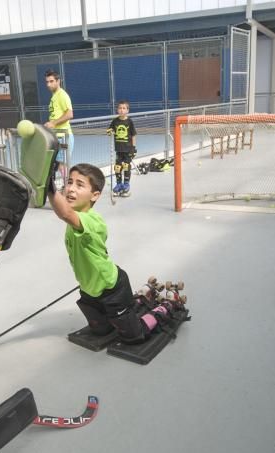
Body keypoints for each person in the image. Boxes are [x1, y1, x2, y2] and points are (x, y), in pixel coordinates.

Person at [48, 163, 183, 344]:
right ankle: (140, 297)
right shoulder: (76, 217)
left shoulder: (92, 221)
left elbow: (65, 213)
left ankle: (165, 307)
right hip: (89, 288)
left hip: (111, 288)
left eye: (80, 185)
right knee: (100, 330)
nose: (71, 189)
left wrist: (48, 187)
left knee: (134, 336)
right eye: (69, 182)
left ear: (95, 195)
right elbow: (66, 212)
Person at [43, 70, 74, 177]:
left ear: (58, 81)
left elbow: (70, 114)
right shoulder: (54, 96)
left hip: (63, 137)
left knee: (62, 166)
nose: (48, 84)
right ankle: (60, 189)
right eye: (47, 82)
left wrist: (54, 123)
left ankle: (67, 188)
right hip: (56, 137)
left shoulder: (62, 95)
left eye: (51, 81)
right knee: (55, 166)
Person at [108, 100, 137, 196]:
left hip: (127, 149)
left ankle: (126, 185)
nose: (121, 110)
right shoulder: (115, 121)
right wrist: (109, 132)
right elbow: (110, 130)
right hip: (118, 149)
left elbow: (133, 135)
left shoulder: (129, 122)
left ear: (127, 110)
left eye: (124, 108)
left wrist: (133, 148)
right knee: (117, 167)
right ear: (117, 109)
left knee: (126, 166)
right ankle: (119, 184)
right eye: (120, 108)